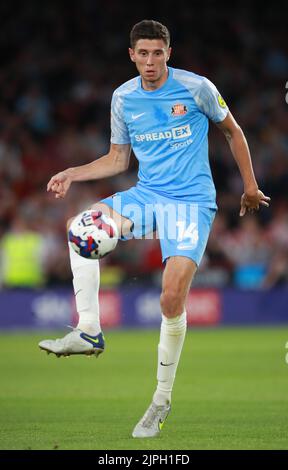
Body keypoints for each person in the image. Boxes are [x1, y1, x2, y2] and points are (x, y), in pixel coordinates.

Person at [39, 20, 270, 438]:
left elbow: (232, 131)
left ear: (169, 52)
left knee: (170, 298)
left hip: (191, 203)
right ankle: (88, 329)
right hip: (147, 196)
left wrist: (250, 187)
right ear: (132, 55)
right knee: (81, 229)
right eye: (143, 53)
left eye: (157, 53)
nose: (150, 61)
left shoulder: (197, 87)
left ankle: (161, 399)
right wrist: (73, 172)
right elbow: (116, 159)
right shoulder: (123, 98)